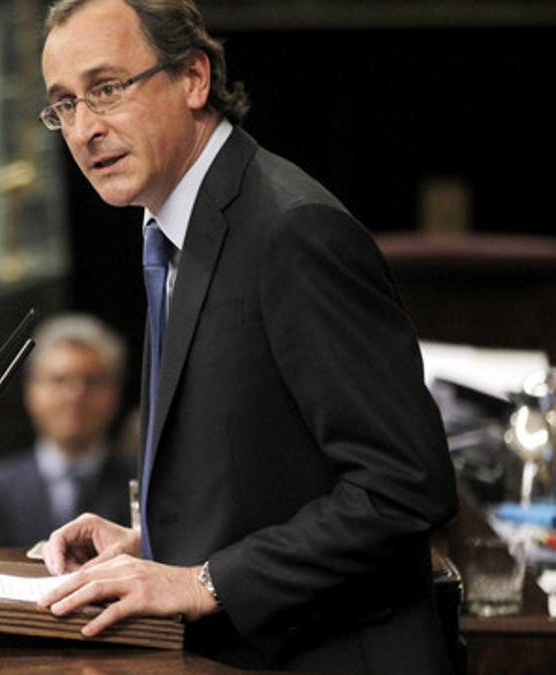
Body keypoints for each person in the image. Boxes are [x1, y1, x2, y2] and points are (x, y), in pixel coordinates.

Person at [34, 1, 458, 672]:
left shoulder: (292, 231)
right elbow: (275, 460)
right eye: (65, 104)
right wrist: (159, 542)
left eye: (107, 89)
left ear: (194, 78)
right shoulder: (172, 227)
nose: (85, 128)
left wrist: (202, 580)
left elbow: (404, 486)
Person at [0, 313, 133, 547]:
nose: (75, 394)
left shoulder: (143, 487)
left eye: (91, 381)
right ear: (31, 391)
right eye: (60, 380)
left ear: (115, 392)